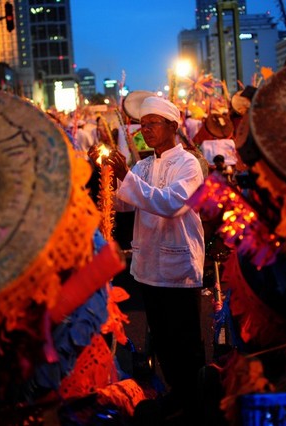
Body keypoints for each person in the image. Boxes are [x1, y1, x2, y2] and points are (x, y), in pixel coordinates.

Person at [104, 96, 206, 423]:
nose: (144, 130)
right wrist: (108, 174)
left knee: (185, 342)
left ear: (173, 127)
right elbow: (123, 204)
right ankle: (177, 396)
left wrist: (126, 176)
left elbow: (170, 204)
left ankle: (195, 402)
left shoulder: (188, 164)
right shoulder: (144, 165)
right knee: (162, 339)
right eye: (142, 125)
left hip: (177, 269)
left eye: (151, 124)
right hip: (149, 268)